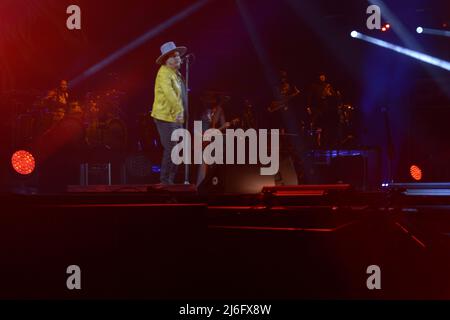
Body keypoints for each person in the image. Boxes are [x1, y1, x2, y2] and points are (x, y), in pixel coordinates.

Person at [151, 41, 187, 185]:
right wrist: (179, 111)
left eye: (177, 55)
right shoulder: (164, 74)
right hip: (165, 117)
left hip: (176, 117)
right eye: (172, 56)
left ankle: (171, 180)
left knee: (178, 149)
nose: (177, 58)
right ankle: (165, 181)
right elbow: (170, 94)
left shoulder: (176, 73)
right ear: (166, 60)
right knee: (171, 148)